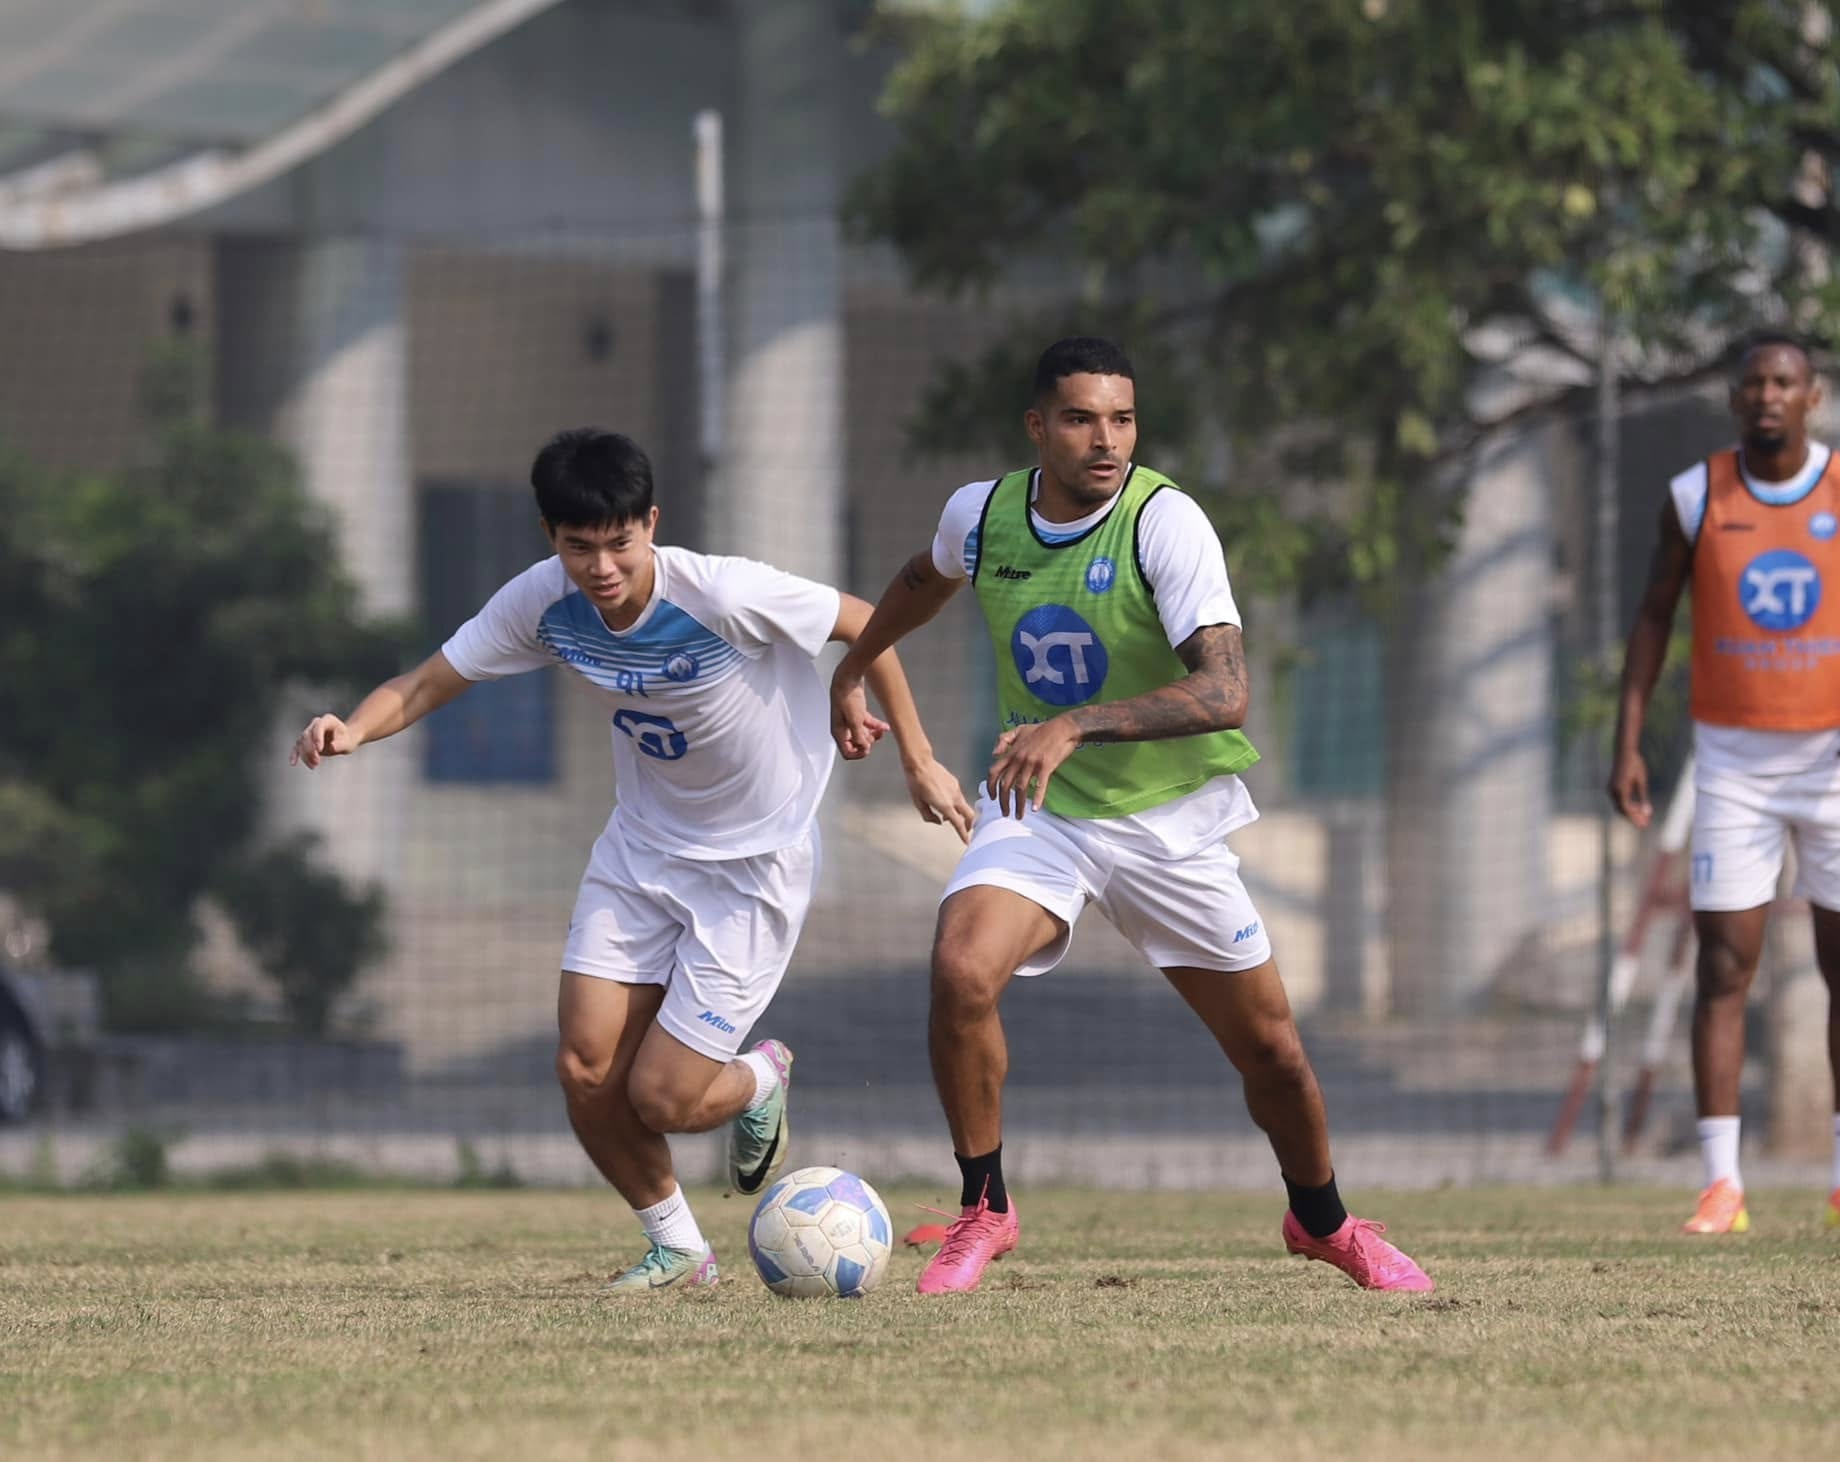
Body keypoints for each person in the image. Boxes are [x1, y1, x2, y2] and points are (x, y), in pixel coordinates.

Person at [291, 428, 973, 1289]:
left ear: (651, 522)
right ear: (552, 536)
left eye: (620, 542)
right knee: (583, 1066)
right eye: (581, 547)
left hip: (752, 867)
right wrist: (352, 727)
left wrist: (912, 750)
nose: (603, 567)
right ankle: (682, 1249)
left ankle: (760, 1076)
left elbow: (864, 623)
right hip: (642, 851)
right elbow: (428, 682)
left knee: (664, 1099)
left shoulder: (720, 592)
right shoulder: (541, 603)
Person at [830, 337, 1433, 1295]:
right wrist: (856, 665)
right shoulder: (981, 516)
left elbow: (1226, 691)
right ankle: (985, 1208)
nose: (1105, 440)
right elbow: (922, 578)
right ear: (1038, 427)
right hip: (1043, 811)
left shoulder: (1167, 522)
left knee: (1271, 1050)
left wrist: (1072, 723)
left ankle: (1322, 1222)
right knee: (960, 968)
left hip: (1170, 821)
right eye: (1080, 419)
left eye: (1122, 419)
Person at [1608, 332, 1840, 1234]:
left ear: (1813, 397)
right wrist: (1628, 740)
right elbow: (1651, 620)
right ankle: (1722, 1184)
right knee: (1723, 965)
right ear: (1734, 397)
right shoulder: (1696, 496)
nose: (1768, 395)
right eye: (1753, 382)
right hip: (1734, 764)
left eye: (1784, 382)